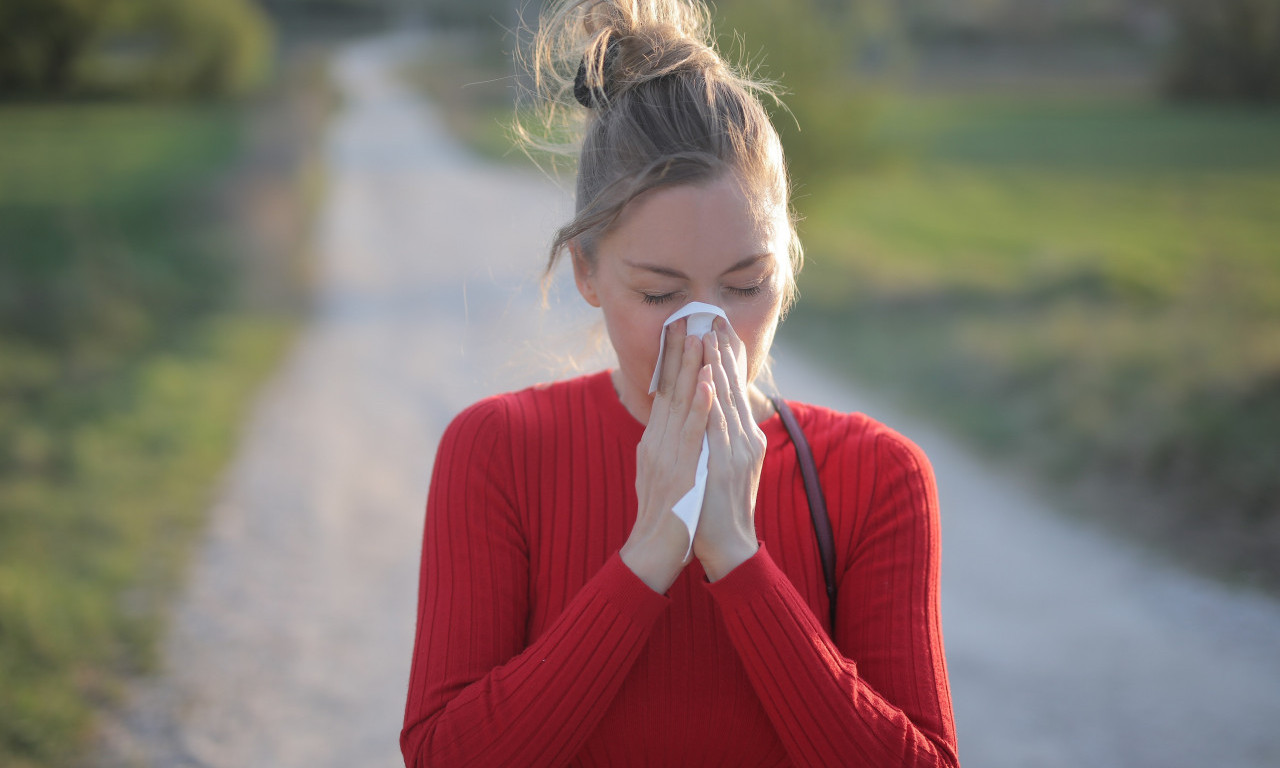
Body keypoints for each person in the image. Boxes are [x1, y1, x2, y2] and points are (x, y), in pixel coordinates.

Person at [400, 1, 958, 765]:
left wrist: (737, 558)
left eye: (745, 283)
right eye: (661, 294)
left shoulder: (875, 475)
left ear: (787, 264)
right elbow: (444, 755)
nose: (707, 332)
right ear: (588, 274)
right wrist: (648, 556)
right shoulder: (496, 452)